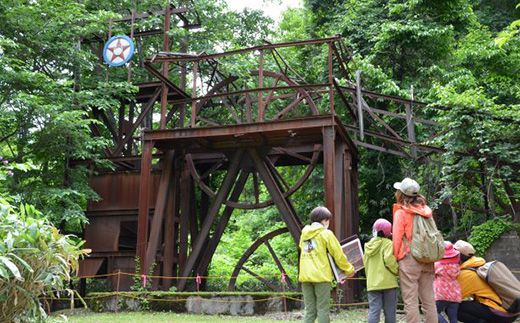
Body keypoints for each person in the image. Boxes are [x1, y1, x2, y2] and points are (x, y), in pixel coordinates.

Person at [392, 177, 437, 323]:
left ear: (401, 194)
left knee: (410, 301)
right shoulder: (426, 211)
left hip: (409, 258)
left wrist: (397, 258)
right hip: (427, 257)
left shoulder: (401, 213)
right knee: (429, 300)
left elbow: (397, 239)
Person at [298, 206, 355, 323]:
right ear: (324, 220)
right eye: (328, 220)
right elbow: (338, 255)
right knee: (322, 310)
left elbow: (302, 249)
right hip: (321, 276)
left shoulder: (304, 234)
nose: (328, 222)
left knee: (310, 311)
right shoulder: (326, 234)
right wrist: (349, 270)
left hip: (305, 276)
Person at [454, 240, 519, 323]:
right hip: (510, 310)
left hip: (501, 313)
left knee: (456, 308)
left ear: (458, 257)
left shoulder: (467, 274)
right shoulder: (479, 266)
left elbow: (452, 297)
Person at [364, 218, 399, 323]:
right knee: (390, 312)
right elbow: (389, 260)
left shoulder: (368, 246)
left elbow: (365, 264)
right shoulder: (388, 243)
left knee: (374, 311)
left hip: (373, 283)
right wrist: (397, 270)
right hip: (388, 283)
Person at [434, 241, 461, 323]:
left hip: (440, 294)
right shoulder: (457, 266)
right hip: (455, 294)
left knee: (433, 312)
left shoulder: (437, 265)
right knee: (453, 318)